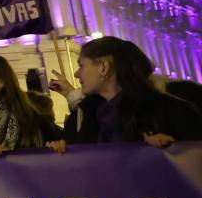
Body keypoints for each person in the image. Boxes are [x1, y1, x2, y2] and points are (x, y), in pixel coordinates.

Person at [52, 36, 202, 146]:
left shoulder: (168, 111)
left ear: (103, 67)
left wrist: (174, 149)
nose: (77, 73)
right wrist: (64, 150)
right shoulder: (85, 115)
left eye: (82, 65)